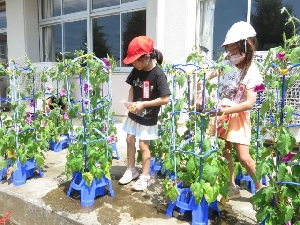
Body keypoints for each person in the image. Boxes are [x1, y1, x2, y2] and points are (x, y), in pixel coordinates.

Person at [197, 21, 264, 199]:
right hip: (222, 113)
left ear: (246, 47)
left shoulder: (252, 72)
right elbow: (206, 77)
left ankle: (260, 188)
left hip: (238, 116)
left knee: (243, 156)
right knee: (224, 151)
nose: (231, 54)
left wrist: (225, 111)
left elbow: (249, 103)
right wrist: (200, 88)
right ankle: (231, 184)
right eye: (229, 50)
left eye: (235, 50)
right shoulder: (226, 62)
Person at [119, 36, 171, 191]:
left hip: (148, 117)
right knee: (129, 139)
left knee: (143, 145)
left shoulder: (158, 75)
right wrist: (130, 104)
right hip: (134, 113)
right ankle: (131, 170)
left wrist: (143, 104)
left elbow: (165, 99)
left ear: (147, 58)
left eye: (136, 60)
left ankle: (145, 176)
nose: (133, 64)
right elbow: (132, 89)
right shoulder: (136, 70)